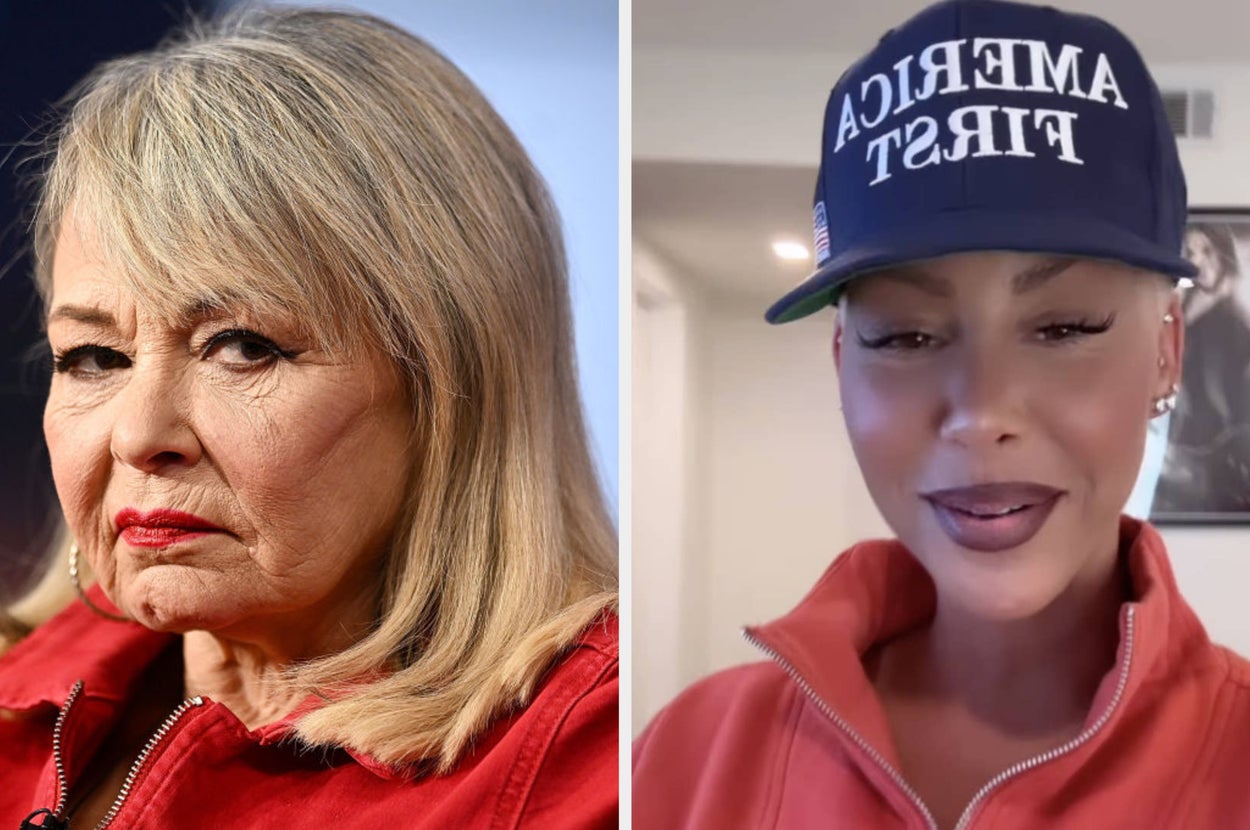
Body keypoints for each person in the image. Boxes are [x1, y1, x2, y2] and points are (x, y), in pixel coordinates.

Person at [633, 1, 1250, 827]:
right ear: (843, 365)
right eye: (906, 336)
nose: (981, 413)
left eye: (1065, 328)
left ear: (1167, 351)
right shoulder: (686, 759)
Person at [0, 7, 617, 829]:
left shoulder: (604, 763)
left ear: (449, 385)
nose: (140, 436)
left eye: (242, 347)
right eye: (94, 357)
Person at [1152, 222, 1250, 514]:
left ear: (1223, 251)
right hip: (1177, 445)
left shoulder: (1234, 318)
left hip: (1215, 454)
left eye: (1206, 250)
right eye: (1191, 252)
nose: (1198, 260)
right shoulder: (1184, 305)